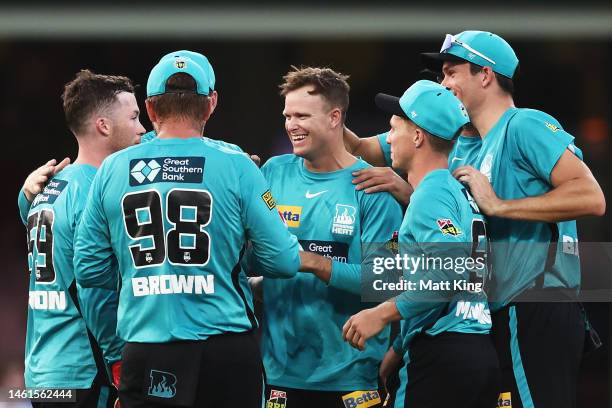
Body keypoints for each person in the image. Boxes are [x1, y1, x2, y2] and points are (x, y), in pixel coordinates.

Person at [73, 52, 301, 408]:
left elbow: (88, 269)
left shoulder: (112, 169)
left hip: (148, 345)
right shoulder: (238, 164)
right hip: (226, 348)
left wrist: (141, 271)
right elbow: (285, 260)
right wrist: (233, 252)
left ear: (149, 109)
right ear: (211, 104)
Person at [419, 30, 606, 408]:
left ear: (485, 75)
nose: (444, 83)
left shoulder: (524, 125)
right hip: (501, 312)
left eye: (451, 72)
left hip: (537, 303)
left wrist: (499, 204)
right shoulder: (468, 145)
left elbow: (591, 196)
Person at [342, 80, 499, 408]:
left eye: (393, 127)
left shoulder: (431, 194)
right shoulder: (454, 190)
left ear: (417, 136)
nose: (389, 137)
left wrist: (381, 314)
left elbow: (449, 274)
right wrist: (399, 348)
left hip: (443, 353)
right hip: (474, 348)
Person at [258, 66, 402, 408]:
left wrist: (312, 262)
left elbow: (385, 281)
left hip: (351, 377)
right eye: (288, 115)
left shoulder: (372, 187)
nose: (292, 124)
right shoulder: (271, 173)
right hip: (280, 376)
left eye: (302, 115)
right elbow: (252, 253)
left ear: (335, 117)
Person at [17, 69, 145, 407]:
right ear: (103, 126)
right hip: (85, 369)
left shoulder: (46, 190)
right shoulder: (96, 192)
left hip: (42, 371)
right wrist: (119, 363)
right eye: (133, 117)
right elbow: (94, 289)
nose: (142, 129)